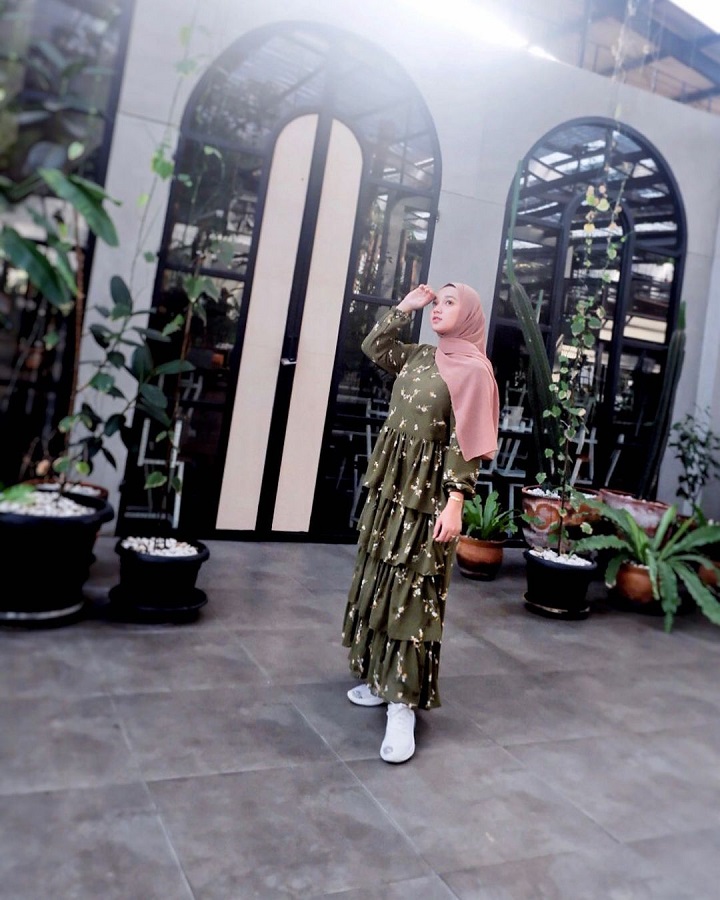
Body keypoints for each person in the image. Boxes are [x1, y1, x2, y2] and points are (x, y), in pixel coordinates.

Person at [341, 282, 500, 764]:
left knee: (414, 588)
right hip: (392, 490)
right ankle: (379, 677)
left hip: (427, 498)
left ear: (469, 315)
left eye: (451, 302)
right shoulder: (420, 356)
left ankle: (403, 704)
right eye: (438, 300)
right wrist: (405, 307)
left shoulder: (474, 371)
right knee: (381, 578)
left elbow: (465, 442)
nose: (439, 307)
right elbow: (374, 346)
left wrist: (456, 501)